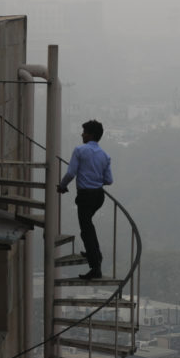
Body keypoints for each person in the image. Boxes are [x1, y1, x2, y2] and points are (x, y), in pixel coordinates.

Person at [57, 119, 113, 280]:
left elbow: (71, 173)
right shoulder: (105, 155)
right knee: (88, 225)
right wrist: (95, 177)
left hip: (85, 195)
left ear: (91, 135)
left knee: (85, 229)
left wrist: (62, 186)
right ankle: (95, 254)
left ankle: (95, 268)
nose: (82, 134)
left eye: (84, 132)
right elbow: (109, 180)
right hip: (98, 196)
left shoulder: (80, 150)